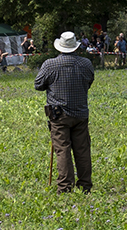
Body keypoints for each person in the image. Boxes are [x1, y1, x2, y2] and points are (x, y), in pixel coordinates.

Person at [34, 32, 95, 194]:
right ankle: (85, 186)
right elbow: (89, 81)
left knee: (62, 150)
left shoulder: (50, 64)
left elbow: (38, 85)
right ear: (75, 46)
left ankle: (65, 187)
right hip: (81, 113)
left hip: (58, 115)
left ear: (60, 47)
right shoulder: (86, 64)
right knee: (82, 150)